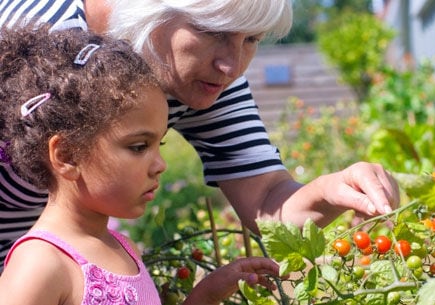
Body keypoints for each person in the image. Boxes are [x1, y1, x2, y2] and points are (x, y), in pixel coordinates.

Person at [0, 0, 400, 265]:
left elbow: (264, 201)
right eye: (215, 32)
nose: (233, 65)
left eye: (252, 40)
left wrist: (331, 190)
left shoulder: (206, 79)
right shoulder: (37, 41)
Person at [0, 24, 283, 305]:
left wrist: (208, 293)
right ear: (67, 155)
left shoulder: (122, 248)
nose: (159, 165)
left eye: (158, 145)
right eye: (138, 147)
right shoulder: (41, 264)